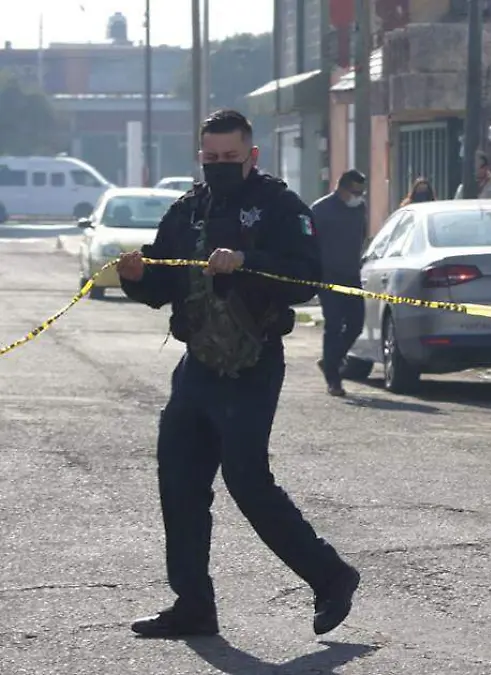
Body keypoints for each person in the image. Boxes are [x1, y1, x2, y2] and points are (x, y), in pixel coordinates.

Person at [115, 109, 360, 639]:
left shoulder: (280, 207)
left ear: (252, 155)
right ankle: (193, 605)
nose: (220, 166)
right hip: (198, 364)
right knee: (178, 479)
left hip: (253, 364)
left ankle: (332, 576)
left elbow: (306, 279)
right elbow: (162, 284)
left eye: (230, 158)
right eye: (211, 158)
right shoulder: (188, 210)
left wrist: (246, 260)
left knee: (247, 480)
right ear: (200, 157)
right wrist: (136, 276)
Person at [310, 169, 368, 397]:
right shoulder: (321, 210)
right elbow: (310, 244)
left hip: (351, 275)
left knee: (356, 324)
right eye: (354, 192)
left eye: (362, 192)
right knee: (333, 325)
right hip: (328, 277)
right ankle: (333, 379)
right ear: (341, 188)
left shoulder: (359, 208)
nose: (358, 196)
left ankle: (330, 360)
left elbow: (361, 236)